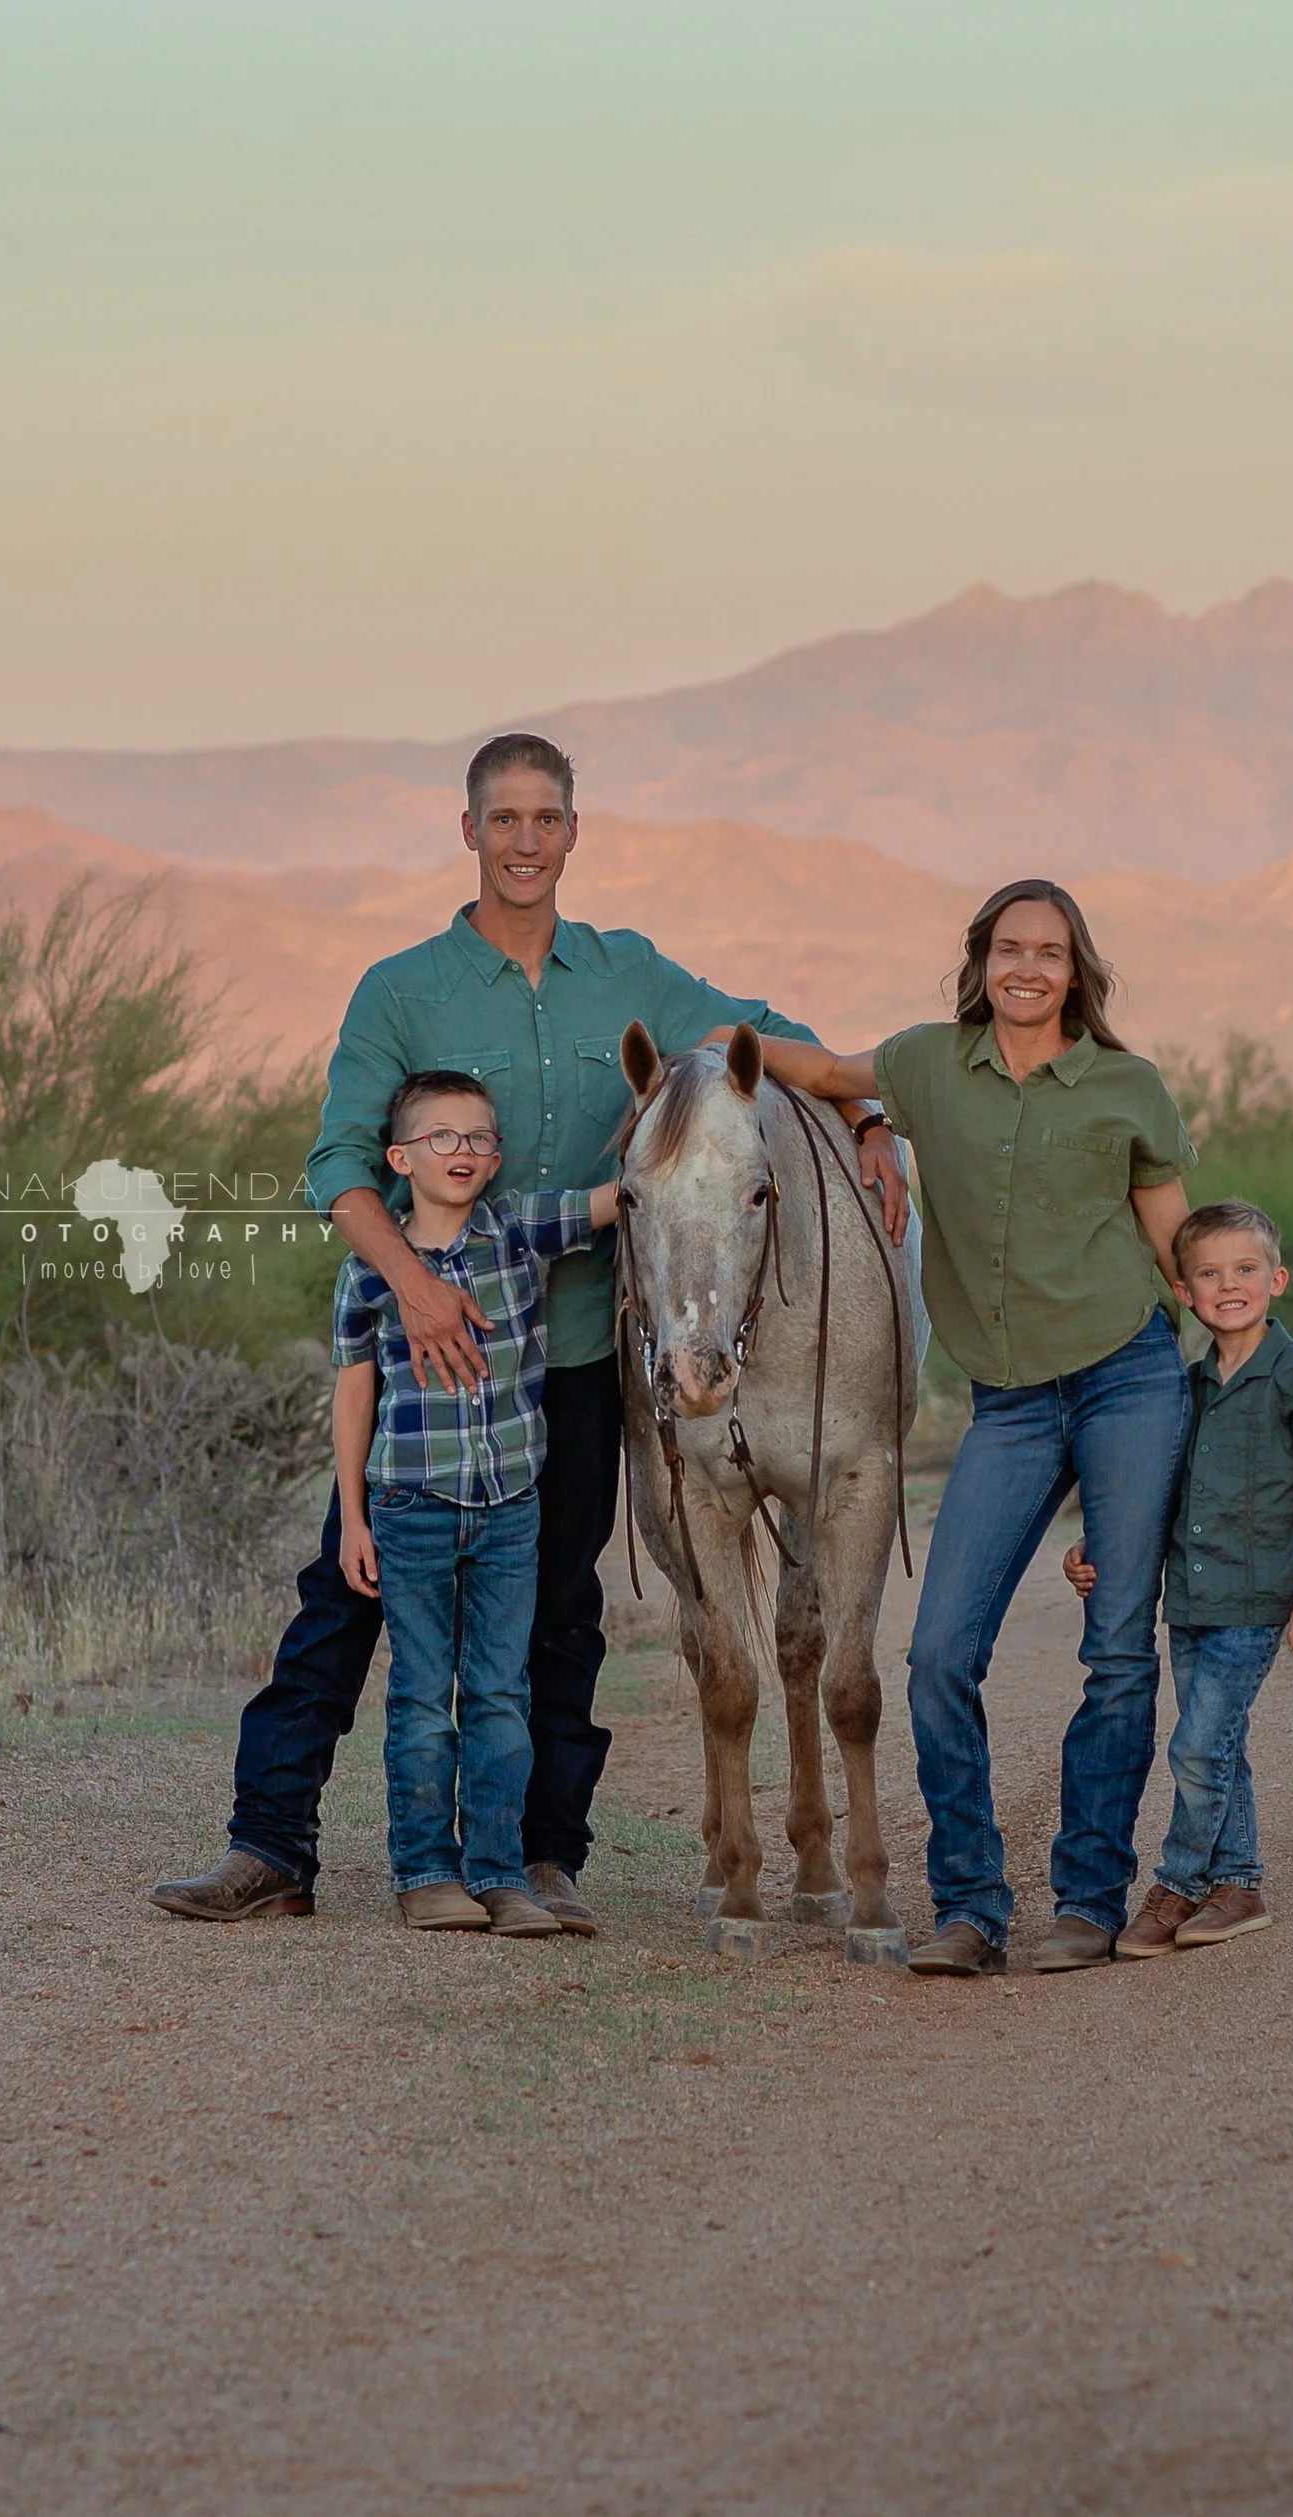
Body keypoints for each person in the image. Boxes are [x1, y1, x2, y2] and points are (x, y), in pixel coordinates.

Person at [153, 730, 869, 1935]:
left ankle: (541, 1855)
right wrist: (415, 1286)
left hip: (578, 1351)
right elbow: (338, 1162)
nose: (526, 840)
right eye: (505, 819)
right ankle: (268, 1844)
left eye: (548, 819)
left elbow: (758, 1036)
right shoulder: (402, 989)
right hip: (423, 1362)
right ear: (468, 829)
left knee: (555, 1609)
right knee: (346, 1587)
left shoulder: (626, 974)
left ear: (575, 832)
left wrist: (870, 1100)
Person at [754, 880, 1194, 1977]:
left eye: (1049, 951)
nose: (1028, 967)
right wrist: (712, 1039)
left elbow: (1180, 1254)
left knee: (1116, 1650)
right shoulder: (924, 1065)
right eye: (1009, 947)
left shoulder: (1128, 1087)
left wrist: (1244, 1382)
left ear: (1076, 967)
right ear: (981, 958)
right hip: (1007, 1401)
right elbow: (813, 1069)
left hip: (1126, 1379)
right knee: (939, 1650)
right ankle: (969, 1905)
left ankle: (1087, 1897)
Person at [331, 1069, 620, 1937]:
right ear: (400, 1157)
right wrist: (351, 1517)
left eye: (480, 1138)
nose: (464, 1151)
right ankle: (425, 1871)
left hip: (509, 1509)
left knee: (500, 1691)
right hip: (410, 1506)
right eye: (442, 1137)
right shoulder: (370, 1275)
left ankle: (499, 1873)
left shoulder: (518, 1235)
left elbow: (625, 1195)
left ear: (497, 1158)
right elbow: (353, 1398)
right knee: (424, 1693)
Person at [1068, 1199, 1293, 1956]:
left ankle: (1177, 1885)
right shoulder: (1186, 1388)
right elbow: (1157, 1490)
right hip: (1194, 1597)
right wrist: (1095, 1545)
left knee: (1197, 1747)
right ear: (1185, 1290)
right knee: (1219, 1740)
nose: (1228, 1285)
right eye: (1208, 1273)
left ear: (1277, 1278)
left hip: (1260, 1600)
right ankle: (1239, 1885)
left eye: (1245, 1269)